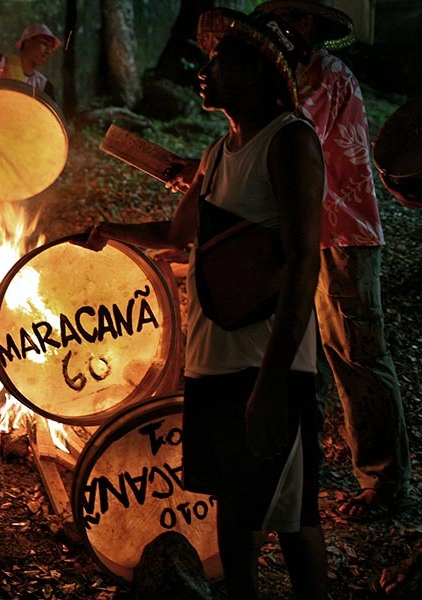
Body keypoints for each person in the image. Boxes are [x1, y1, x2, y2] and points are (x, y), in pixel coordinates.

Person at [86, 8, 327, 598]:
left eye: (218, 62)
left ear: (254, 73)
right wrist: (109, 230)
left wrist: (272, 383)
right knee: (234, 503)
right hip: (212, 361)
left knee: (293, 513)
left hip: (267, 363)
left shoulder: (290, 141)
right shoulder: (220, 152)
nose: (204, 71)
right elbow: (176, 234)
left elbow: (303, 262)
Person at [253, 0, 411, 523]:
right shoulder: (292, 74)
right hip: (309, 233)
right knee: (311, 354)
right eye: (283, 19)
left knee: (357, 354)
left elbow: (293, 138)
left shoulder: (323, 74)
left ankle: (384, 480)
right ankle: (315, 461)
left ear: (312, 27)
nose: (288, 28)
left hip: (343, 232)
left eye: (298, 20)